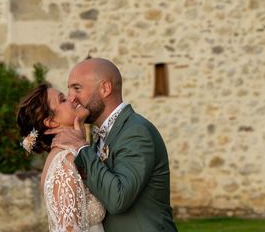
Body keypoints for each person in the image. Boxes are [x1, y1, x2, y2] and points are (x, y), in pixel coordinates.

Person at [48, 57, 177, 232]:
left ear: (105, 88)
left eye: (77, 88)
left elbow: (118, 199)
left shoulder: (136, 132)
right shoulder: (99, 137)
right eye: (69, 91)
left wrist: (81, 147)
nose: (72, 99)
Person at [17, 83, 106, 232]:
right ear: (51, 122)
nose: (72, 98)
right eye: (63, 99)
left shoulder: (72, 154)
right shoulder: (64, 161)